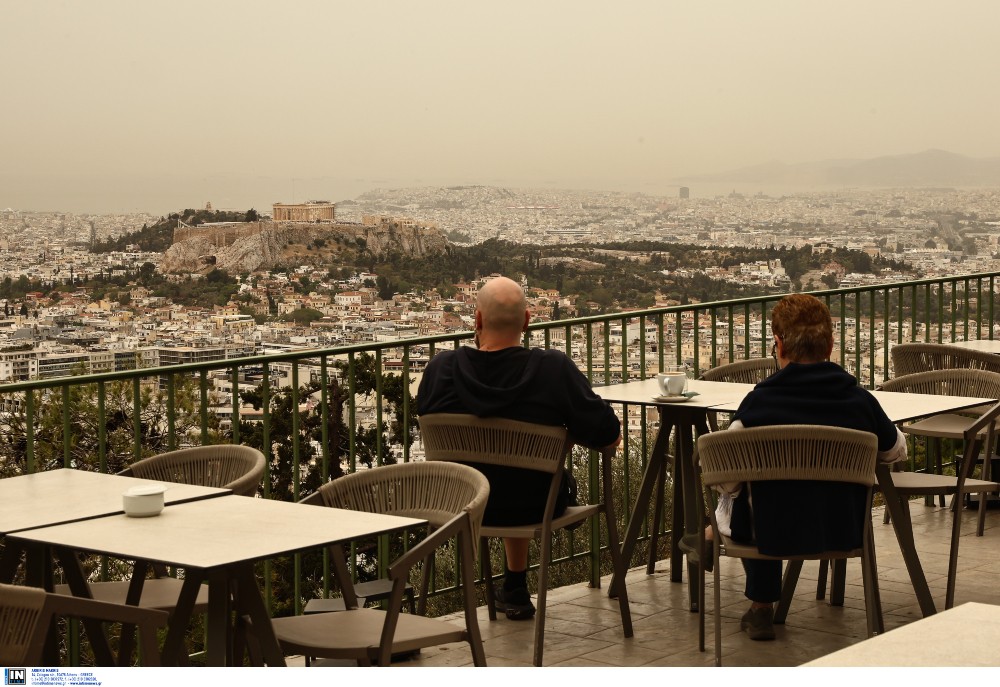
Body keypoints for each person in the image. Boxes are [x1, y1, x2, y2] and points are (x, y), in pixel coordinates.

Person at [417, 276, 621, 620]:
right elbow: (607, 434)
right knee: (534, 477)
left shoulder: (441, 369)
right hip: (534, 506)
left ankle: (512, 586)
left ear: (478, 320)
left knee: (503, 474)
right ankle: (515, 583)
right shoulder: (552, 370)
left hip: (461, 507)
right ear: (527, 320)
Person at [712, 293, 906, 641]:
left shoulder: (758, 403)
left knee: (743, 495)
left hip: (771, 531)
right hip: (841, 527)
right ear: (830, 345)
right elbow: (894, 451)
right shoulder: (859, 401)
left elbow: (726, 473)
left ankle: (759, 604)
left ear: (778, 345)